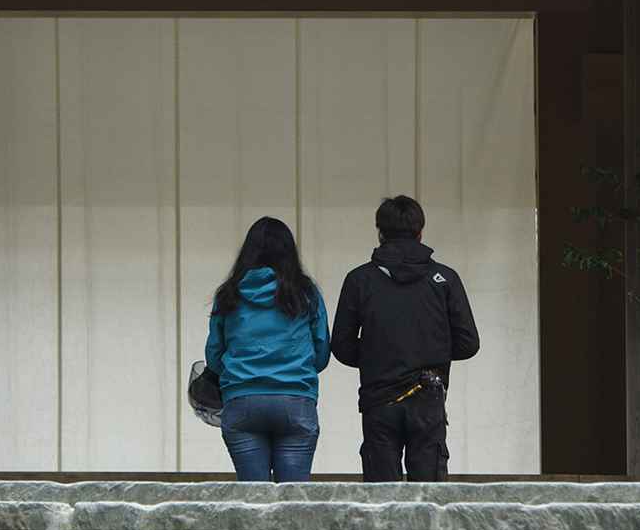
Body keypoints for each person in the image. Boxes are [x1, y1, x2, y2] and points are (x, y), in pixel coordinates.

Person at [331, 194, 478, 483]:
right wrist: (428, 349)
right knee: (429, 493)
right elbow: (468, 342)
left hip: (378, 398)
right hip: (428, 394)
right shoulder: (445, 278)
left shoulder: (359, 280)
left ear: (380, 232)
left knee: (381, 497)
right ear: (420, 232)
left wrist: (378, 354)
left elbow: (341, 345)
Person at [205, 216, 330, 483]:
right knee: (293, 500)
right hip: (294, 400)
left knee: (253, 499)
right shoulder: (306, 292)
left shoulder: (228, 294)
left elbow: (214, 357)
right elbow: (321, 355)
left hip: (242, 400)